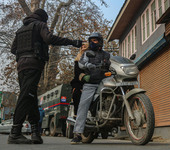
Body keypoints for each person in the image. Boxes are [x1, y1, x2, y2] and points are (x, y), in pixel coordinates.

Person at [8, 8, 82, 144]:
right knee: (26, 96)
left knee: (30, 96)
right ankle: (15, 132)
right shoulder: (40, 25)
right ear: (43, 18)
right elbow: (49, 38)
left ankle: (35, 133)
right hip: (33, 64)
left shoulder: (20, 29)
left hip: (21, 66)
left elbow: (13, 50)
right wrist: (72, 42)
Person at [70, 33, 111, 144]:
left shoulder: (106, 55)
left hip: (105, 82)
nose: (92, 42)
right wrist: (87, 65)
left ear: (100, 41)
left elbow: (111, 65)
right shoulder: (87, 53)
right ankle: (78, 133)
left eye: (95, 40)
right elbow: (81, 63)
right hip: (91, 83)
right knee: (83, 105)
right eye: (91, 40)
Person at [70, 42, 88, 117]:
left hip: (92, 78)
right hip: (79, 80)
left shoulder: (92, 57)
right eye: (82, 45)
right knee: (77, 92)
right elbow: (77, 73)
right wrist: (83, 77)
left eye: (85, 45)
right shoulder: (77, 59)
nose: (83, 46)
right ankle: (76, 113)